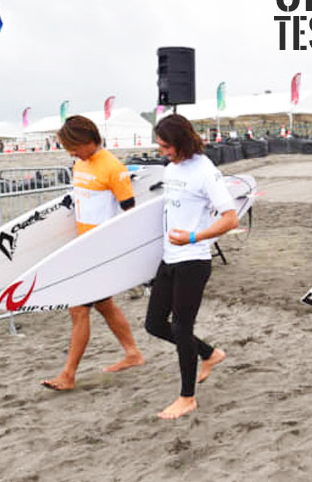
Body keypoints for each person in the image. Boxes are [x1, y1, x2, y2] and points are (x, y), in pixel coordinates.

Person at [41, 116, 144, 390]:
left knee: (78, 309)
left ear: (88, 141)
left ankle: (68, 375)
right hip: (83, 247)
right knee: (104, 305)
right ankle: (133, 353)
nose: (71, 153)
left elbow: (130, 214)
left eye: (73, 147)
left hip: (101, 251)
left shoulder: (113, 168)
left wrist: (123, 255)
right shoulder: (80, 162)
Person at [145, 114, 236, 419]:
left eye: (165, 146)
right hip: (169, 257)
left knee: (182, 328)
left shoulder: (205, 172)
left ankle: (187, 398)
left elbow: (229, 218)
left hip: (193, 261)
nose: (162, 151)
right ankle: (210, 353)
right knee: (155, 324)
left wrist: (195, 236)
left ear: (181, 142)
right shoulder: (172, 167)